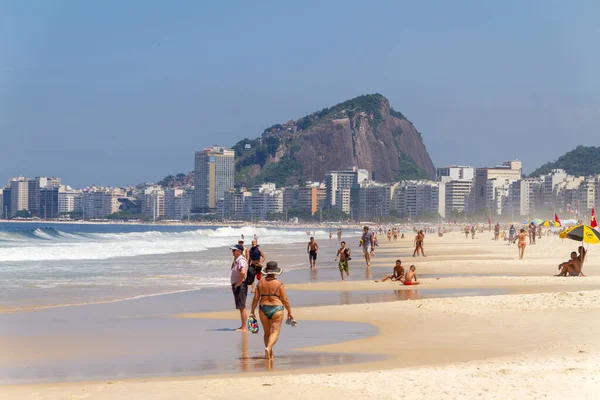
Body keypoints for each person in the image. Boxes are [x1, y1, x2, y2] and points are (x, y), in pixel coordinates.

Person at [250, 261, 293, 360]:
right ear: (275, 272)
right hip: (276, 308)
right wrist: (289, 312)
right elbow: (285, 300)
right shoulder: (279, 283)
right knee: (275, 332)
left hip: (263, 308)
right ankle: (268, 348)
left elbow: (255, 299)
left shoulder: (260, 283)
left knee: (266, 333)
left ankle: (270, 353)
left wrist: (252, 311)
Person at [230, 244, 249, 332]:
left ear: (239, 251)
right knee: (240, 306)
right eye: (232, 250)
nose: (232, 252)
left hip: (241, 285)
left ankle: (244, 327)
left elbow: (243, 272)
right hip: (238, 285)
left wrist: (239, 283)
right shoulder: (236, 260)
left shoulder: (241, 260)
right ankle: (243, 326)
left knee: (242, 306)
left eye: (234, 250)